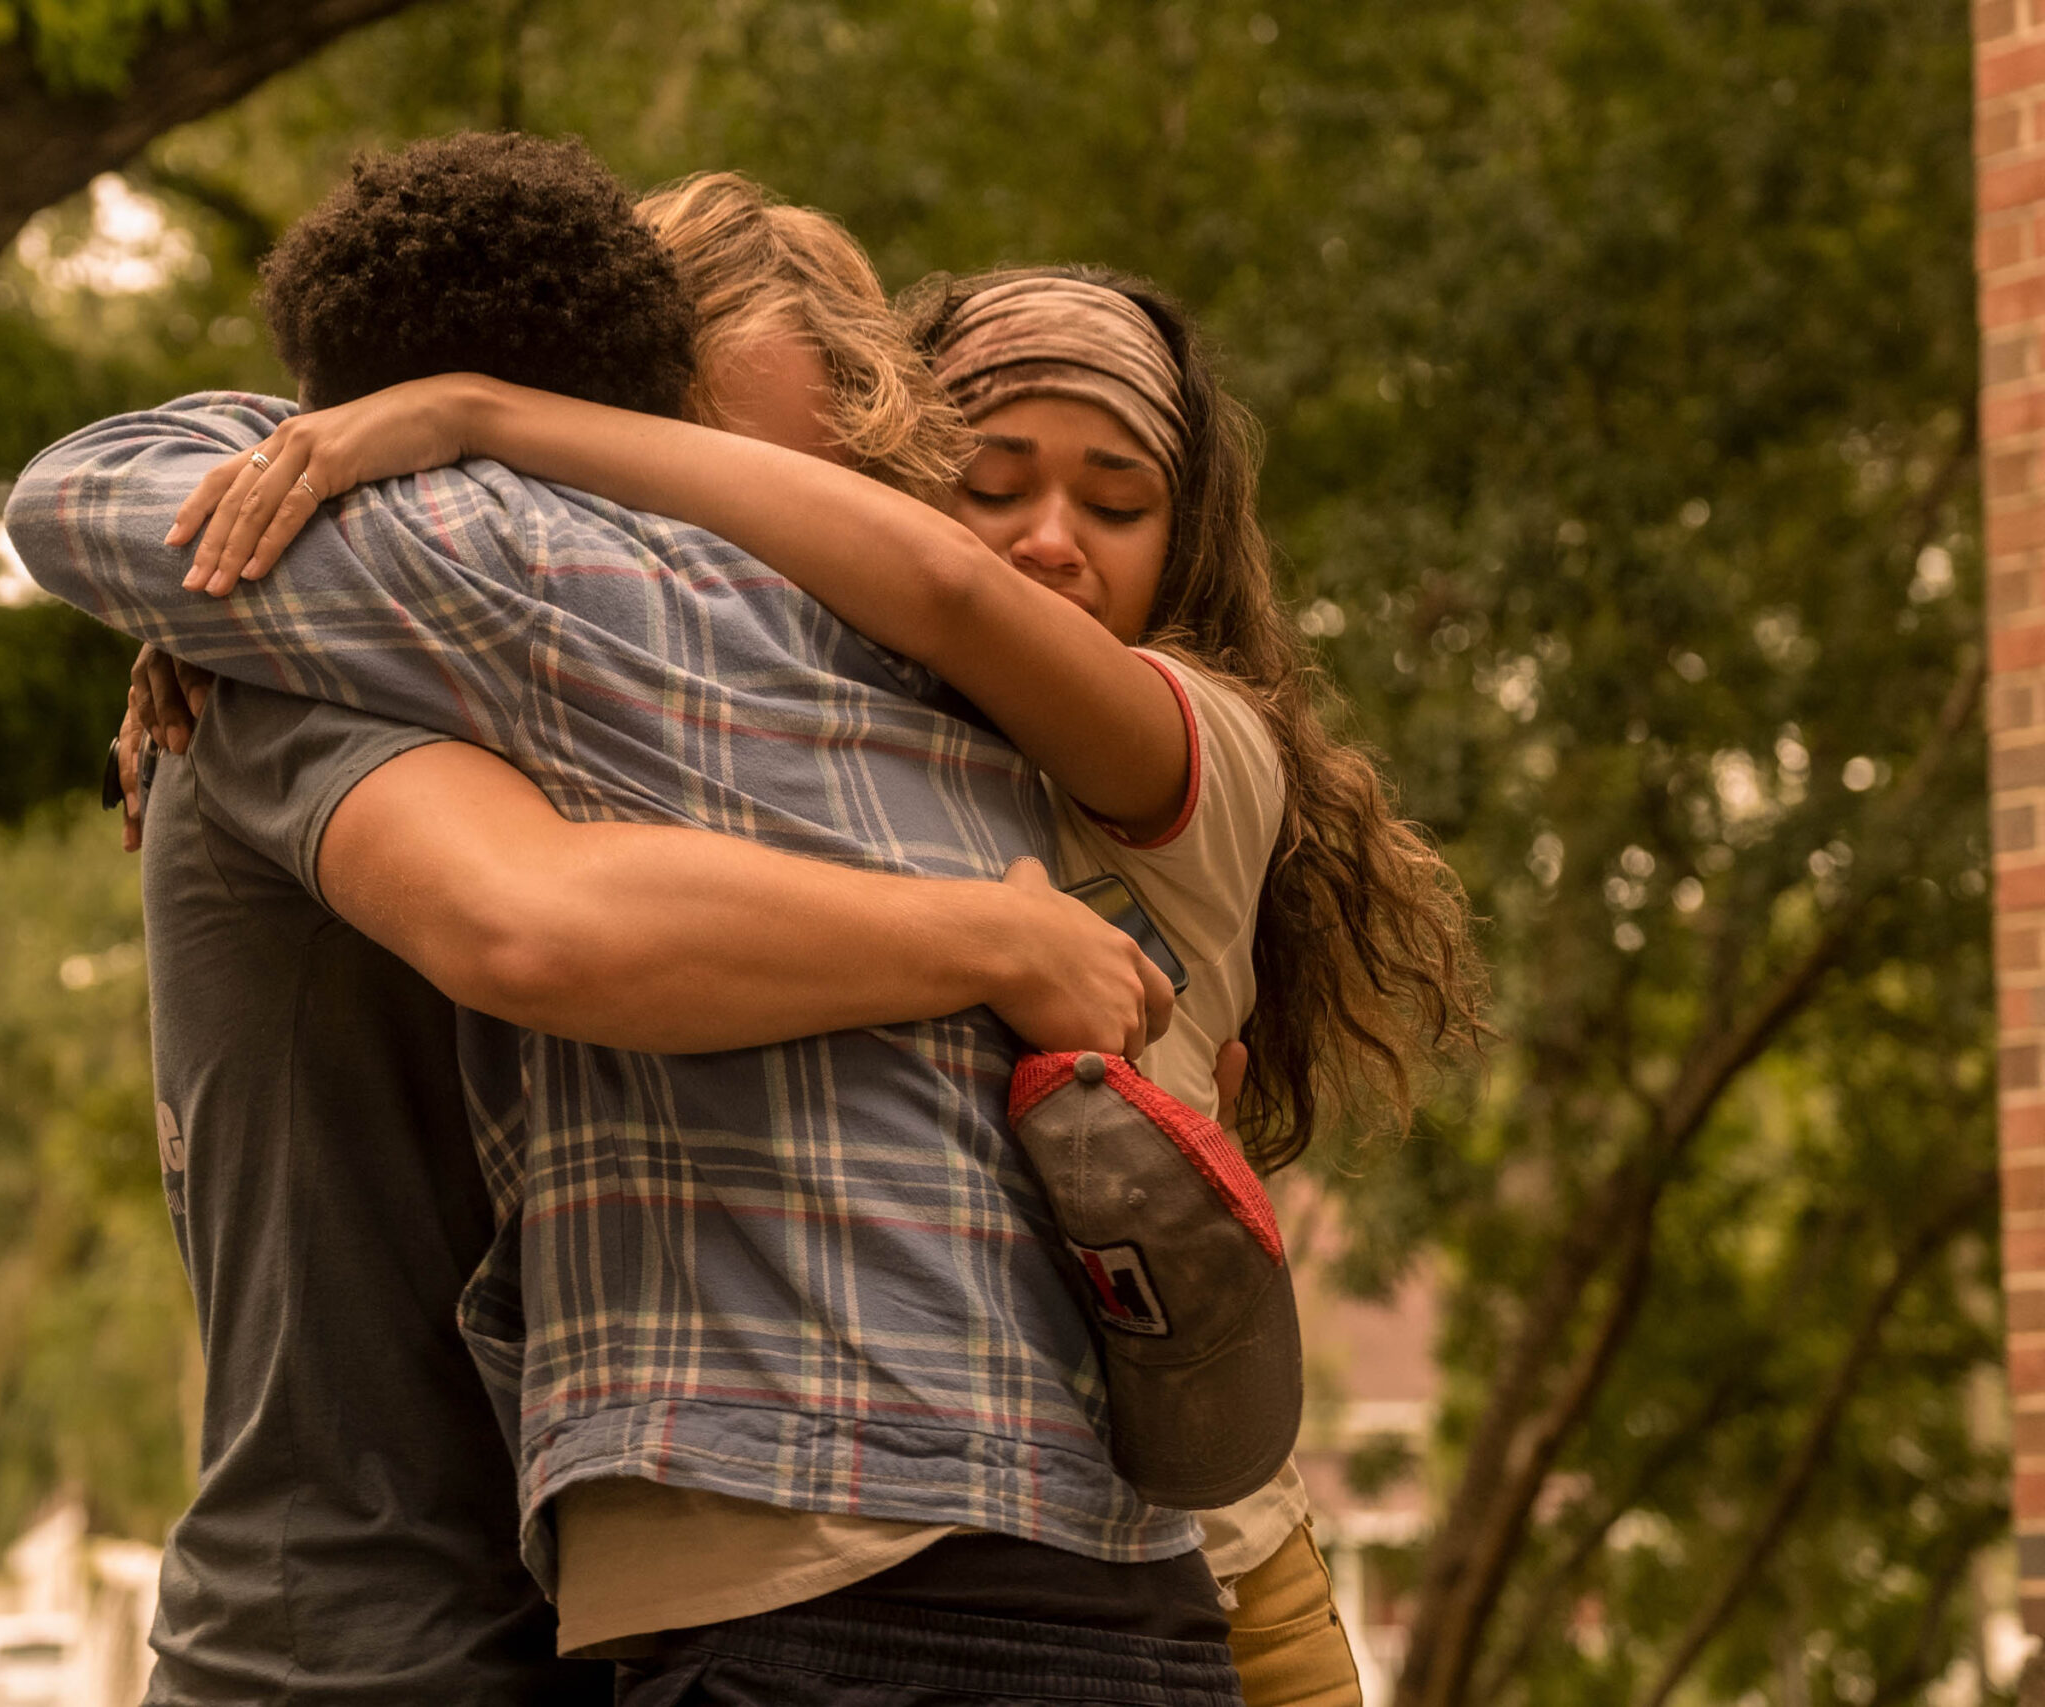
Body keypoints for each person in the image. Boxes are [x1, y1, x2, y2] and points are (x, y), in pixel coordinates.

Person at [12, 136, 1241, 1706]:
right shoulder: (365, 650)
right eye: (682, 489)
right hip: (367, 1631)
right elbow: (535, 922)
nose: (741, 585)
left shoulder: (887, 711)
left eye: (805, 516)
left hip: (641, 1603)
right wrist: (994, 940)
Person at [175, 250, 1480, 1701]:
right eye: (994, 483)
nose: (1054, 541)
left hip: (1220, 1574)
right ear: (902, 474)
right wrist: (240, 602)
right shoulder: (801, 732)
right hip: (951, 1555)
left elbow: (939, 594)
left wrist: (476, 415)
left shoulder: (1194, 747)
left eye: (1119, 505)